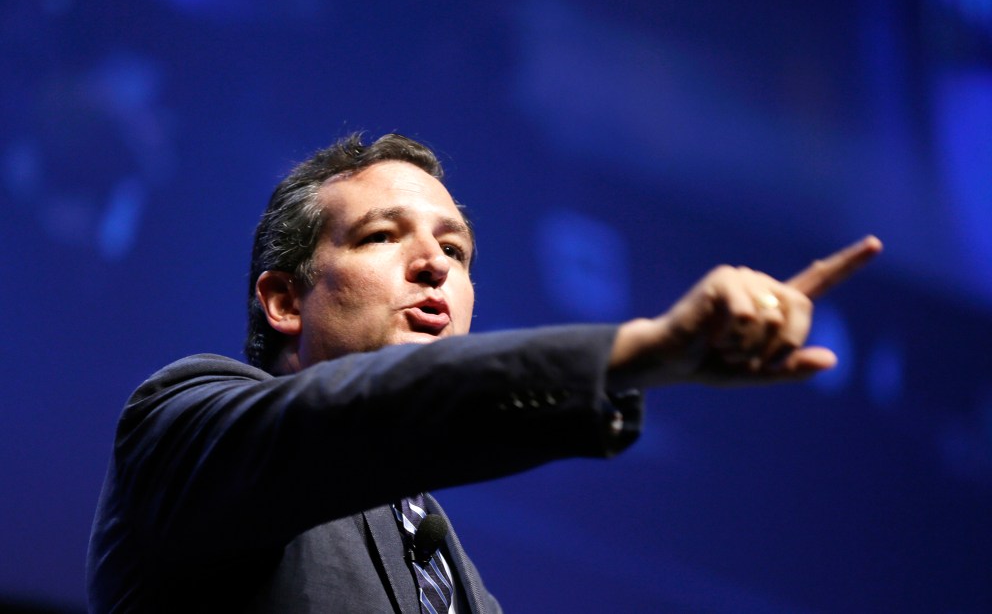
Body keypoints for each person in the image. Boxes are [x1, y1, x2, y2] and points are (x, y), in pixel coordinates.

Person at [86, 133, 882, 613]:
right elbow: (356, 418)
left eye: (456, 250)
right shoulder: (187, 422)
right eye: (379, 237)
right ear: (284, 299)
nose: (433, 264)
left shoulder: (447, 567)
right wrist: (630, 355)